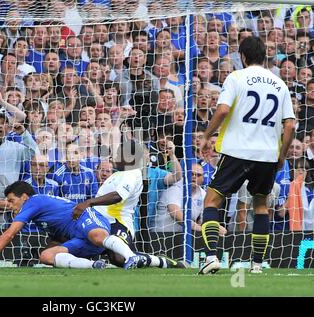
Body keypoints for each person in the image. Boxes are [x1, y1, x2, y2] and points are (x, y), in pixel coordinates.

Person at [198, 36, 296, 275]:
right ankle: (256, 265)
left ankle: (211, 256)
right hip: (267, 155)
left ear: (242, 56)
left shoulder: (236, 77)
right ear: (264, 56)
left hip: (237, 150)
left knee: (212, 200)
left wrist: (206, 135)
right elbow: (291, 125)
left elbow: (222, 110)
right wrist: (282, 155)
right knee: (261, 205)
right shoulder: (279, 84)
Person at [0, 181, 147, 269]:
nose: (11, 205)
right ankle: (93, 266)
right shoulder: (38, 207)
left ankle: (131, 256)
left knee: (96, 237)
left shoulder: (33, 202)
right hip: (79, 238)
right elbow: (59, 235)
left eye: (12, 201)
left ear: (25, 197)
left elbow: (9, 234)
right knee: (46, 256)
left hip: (87, 218)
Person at [72, 139, 185, 269]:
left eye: (119, 153)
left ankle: (163, 262)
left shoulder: (135, 174)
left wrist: (89, 203)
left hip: (119, 222)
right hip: (104, 221)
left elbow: (117, 196)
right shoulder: (118, 174)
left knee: (121, 257)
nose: (115, 157)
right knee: (117, 259)